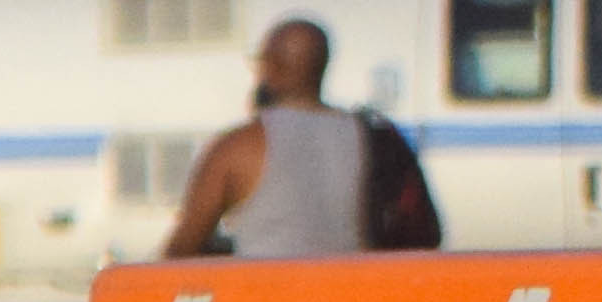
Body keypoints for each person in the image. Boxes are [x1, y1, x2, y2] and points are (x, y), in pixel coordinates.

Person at [161, 18, 430, 256]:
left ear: (271, 66)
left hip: (268, 297)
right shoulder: (370, 136)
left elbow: (183, 247)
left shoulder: (239, 144)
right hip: (350, 295)